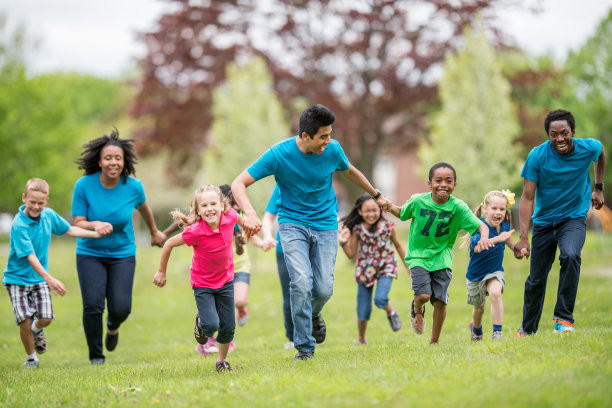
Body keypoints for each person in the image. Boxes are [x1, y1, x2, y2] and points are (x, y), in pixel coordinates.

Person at [231, 104, 391, 361]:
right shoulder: (279, 154)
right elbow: (239, 183)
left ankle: (314, 313)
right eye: (323, 137)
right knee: (301, 282)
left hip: (326, 223)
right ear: (306, 136)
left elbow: (349, 171)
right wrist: (250, 213)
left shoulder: (333, 150)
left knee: (324, 289)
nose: (329, 141)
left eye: (330, 134)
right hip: (292, 224)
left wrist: (377, 195)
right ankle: (304, 346)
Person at [72, 129, 167, 365]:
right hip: (90, 253)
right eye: (108, 158)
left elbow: (144, 209)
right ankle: (96, 356)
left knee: (121, 308)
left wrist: (154, 232)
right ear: (99, 161)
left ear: (124, 161)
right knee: (93, 306)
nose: (113, 162)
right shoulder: (84, 185)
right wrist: (95, 224)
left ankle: (113, 327)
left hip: (123, 253)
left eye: (118, 158)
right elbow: (78, 222)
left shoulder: (133, 187)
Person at [514, 109, 606, 336]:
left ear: (573, 132)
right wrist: (524, 237)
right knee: (536, 279)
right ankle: (527, 329)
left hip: (573, 217)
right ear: (548, 135)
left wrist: (598, 187)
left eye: (564, 133)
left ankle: (563, 319)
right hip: (544, 221)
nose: (560, 139)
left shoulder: (588, 147)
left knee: (571, 255)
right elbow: (527, 197)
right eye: (553, 134)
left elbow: (601, 152)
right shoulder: (538, 156)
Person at [389, 162, 494, 344]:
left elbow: (481, 225)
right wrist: (388, 206)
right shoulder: (417, 201)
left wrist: (484, 237)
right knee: (423, 295)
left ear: (455, 184)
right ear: (429, 183)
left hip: (442, 258)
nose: (443, 184)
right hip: (418, 256)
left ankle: (434, 341)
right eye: (438, 180)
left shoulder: (458, 207)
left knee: (440, 302)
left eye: (449, 181)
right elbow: (402, 213)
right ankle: (417, 308)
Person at [3, 178, 101, 369]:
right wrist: (50, 279)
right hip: (17, 279)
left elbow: (70, 229)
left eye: (40, 203)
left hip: (38, 278)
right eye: (32, 202)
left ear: (46, 201)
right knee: (24, 318)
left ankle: (35, 330)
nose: (36, 207)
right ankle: (32, 359)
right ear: (24, 198)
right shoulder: (19, 224)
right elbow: (30, 257)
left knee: (46, 318)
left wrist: (96, 233)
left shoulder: (49, 216)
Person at [153, 185, 245, 373]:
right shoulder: (195, 231)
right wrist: (161, 271)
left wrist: (249, 225)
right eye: (204, 206)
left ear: (222, 206)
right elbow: (169, 243)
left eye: (213, 204)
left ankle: (222, 361)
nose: (209, 208)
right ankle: (201, 323)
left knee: (227, 326)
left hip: (226, 280)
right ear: (198, 211)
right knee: (211, 326)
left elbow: (241, 220)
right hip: (202, 283)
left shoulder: (230, 218)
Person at [337, 194, 409, 344]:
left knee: (380, 299)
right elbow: (351, 254)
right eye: (367, 211)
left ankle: (391, 311)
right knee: (363, 309)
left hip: (386, 266)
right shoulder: (357, 230)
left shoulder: (389, 227)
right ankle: (361, 339)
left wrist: (408, 266)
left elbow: (399, 246)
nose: (371, 214)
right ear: (360, 212)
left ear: (380, 210)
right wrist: (343, 243)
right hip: (365, 270)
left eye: (374, 210)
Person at [463, 190, 525, 341]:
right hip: (475, 276)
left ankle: (497, 332)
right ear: (485, 208)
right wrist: (498, 239)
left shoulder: (504, 226)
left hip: (494, 271)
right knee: (479, 308)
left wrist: (519, 250)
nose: (498, 213)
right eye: (494, 209)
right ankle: (476, 329)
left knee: (496, 293)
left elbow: (509, 242)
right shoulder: (479, 226)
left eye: (502, 209)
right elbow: (477, 248)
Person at [261, 185, 294, 350]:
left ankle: (314, 321)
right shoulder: (282, 183)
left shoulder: (320, 177)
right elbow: (268, 216)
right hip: (285, 248)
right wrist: (267, 236)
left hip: (315, 244)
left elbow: (332, 212)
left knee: (315, 289)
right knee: (289, 293)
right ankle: (293, 336)